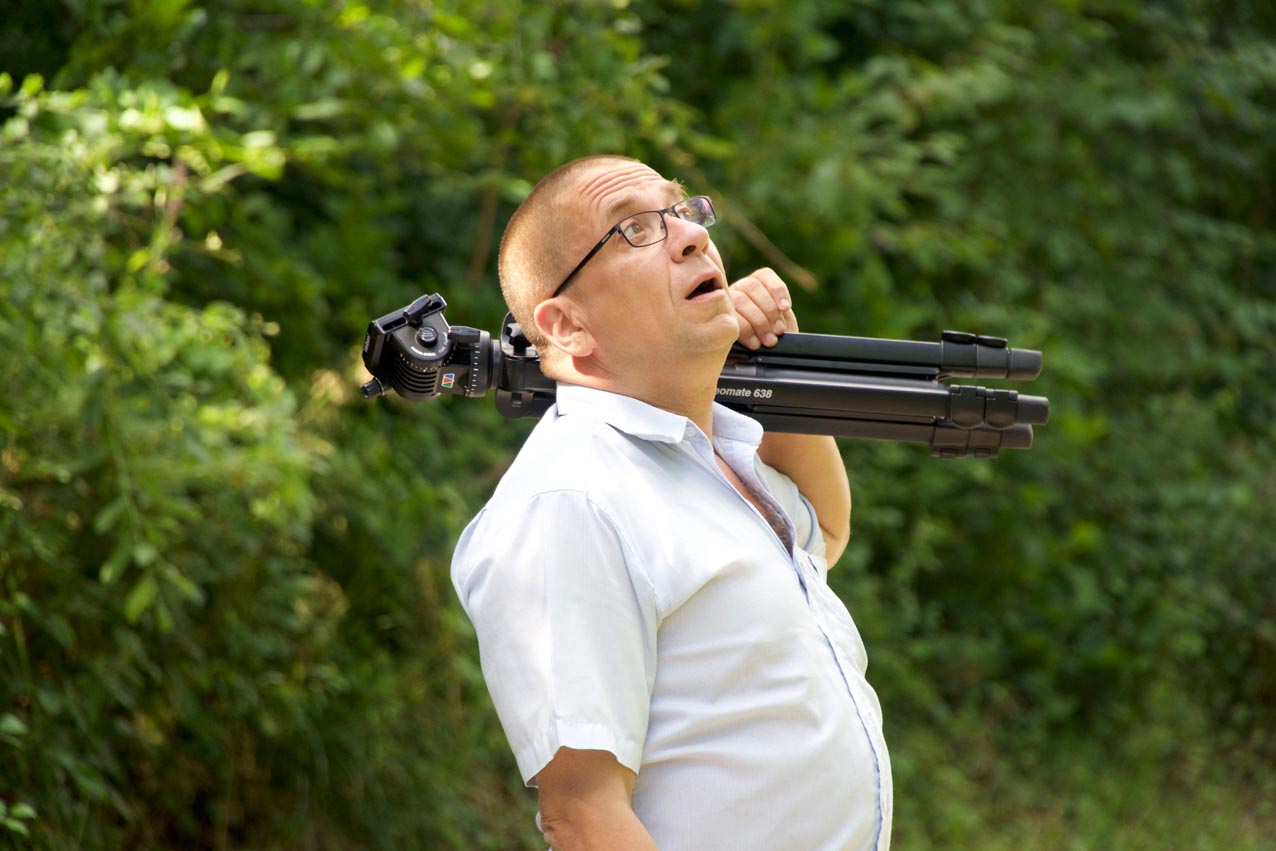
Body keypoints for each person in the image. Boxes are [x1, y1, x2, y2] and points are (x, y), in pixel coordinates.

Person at [451, 155, 892, 850]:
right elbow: (583, 815)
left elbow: (824, 532)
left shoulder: (708, 456)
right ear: (566, 326)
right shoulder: (572, 498)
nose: (690, 236)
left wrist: (775, 356)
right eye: (633, 229)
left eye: (682, 211)